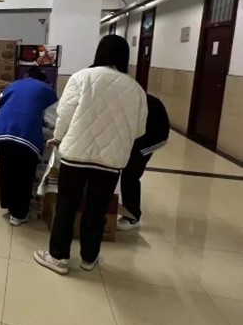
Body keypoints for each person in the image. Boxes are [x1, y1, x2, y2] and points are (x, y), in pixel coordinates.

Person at [34, 35, 147, 275]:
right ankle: (89, 257)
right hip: (110, 162)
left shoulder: (81, 77)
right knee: (97, 209)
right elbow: (139, 129)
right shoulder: (135, 89)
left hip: (75, 157)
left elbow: (64, 114)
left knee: (67, 206)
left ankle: (58, 258)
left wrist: (59, 137)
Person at [0, 68, 58, 226]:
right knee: (24, 175)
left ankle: (8, 205)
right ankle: (19, 215)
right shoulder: (47, 90)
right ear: (44, 80)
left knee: (7, 170)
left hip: (2, 131)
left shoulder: (13, 85)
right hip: (26, 135)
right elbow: (54, 119)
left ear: (26, 76)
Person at [118, 94, 170, 231]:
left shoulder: (148, 103)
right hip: (131, 138)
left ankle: (132, 216)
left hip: (148, 139)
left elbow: (158, 133)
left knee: (130, 174)